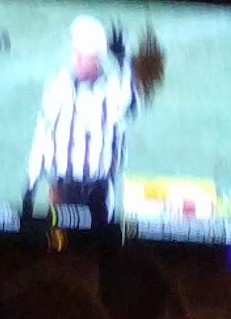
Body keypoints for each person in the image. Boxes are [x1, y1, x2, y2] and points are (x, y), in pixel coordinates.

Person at [24, 15, 142, 232]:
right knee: (59, 242)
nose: (76, 60)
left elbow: (132, 98)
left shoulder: (112, 91)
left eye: (83, 56)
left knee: (96, 243)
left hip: (98, 190)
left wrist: (124, 59)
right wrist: (31, 183)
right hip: (62, 187)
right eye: (75, 53)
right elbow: (43, 134)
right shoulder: (58, 86)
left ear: (97, 59)